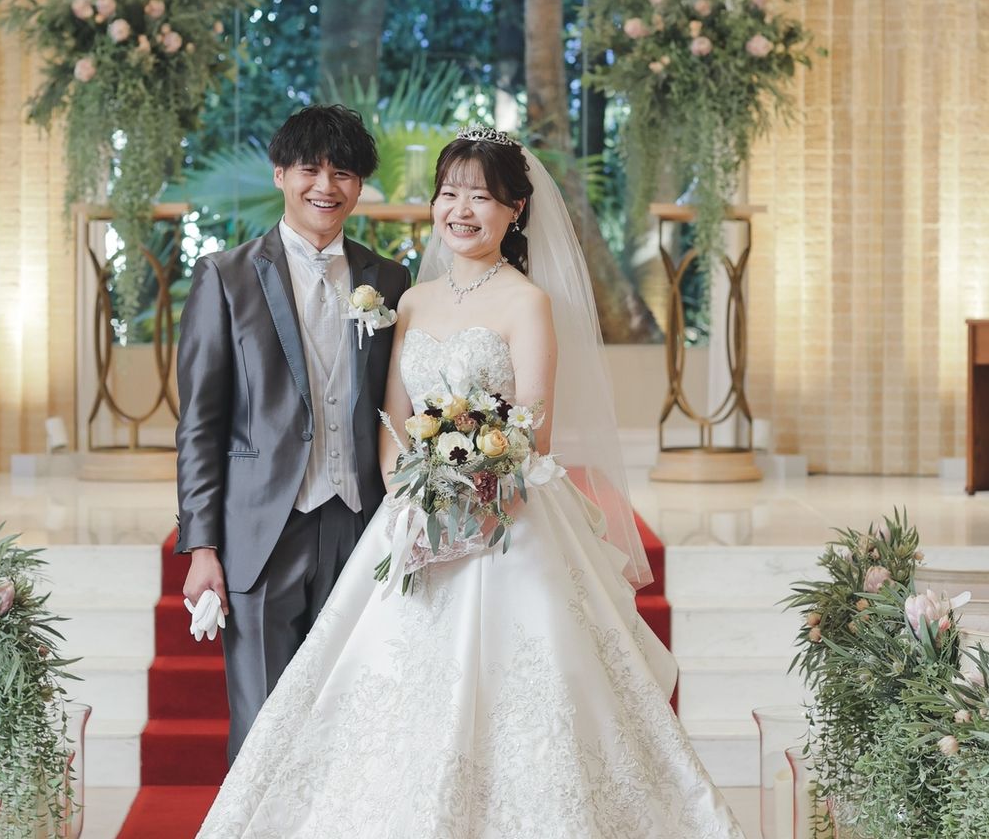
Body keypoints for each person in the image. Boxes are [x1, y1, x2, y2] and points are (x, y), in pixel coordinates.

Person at [194, 127, 746, 838]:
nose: (462, 210)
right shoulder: (410, 299)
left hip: (507, 520)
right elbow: (392, 421)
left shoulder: (527, 303)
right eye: (450, 193)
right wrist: (413, 500)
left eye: (481, 197)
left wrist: (475, 500)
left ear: (515, 209)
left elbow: (533, 431)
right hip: (412, 521)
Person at [175, 104, 412, 761]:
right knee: (263, 726)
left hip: (358, 524)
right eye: (310, 169)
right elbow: (199, 424)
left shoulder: (389, 280)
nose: (326, 187)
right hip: (260, 533)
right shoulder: (224, 277)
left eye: (343, 173)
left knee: (351, 719)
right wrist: (201, 547)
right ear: (280, 174)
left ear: (359, 185)